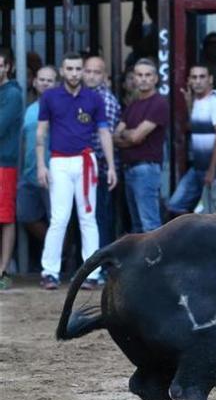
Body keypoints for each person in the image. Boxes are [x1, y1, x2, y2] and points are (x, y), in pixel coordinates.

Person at [36, 52, 118, 290]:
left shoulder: (94, 98)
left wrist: (111, 166)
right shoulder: (50, 96)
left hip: (85, 162)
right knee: (59, 218)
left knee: (87, 218)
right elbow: (41, 133)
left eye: (77, 69)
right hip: (59, 161)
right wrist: (41, 164)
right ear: (62, 71)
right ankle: (50, 272)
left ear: (82, 71)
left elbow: (104, 133)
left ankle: (91, 273)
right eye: (69, 69)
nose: (73, 73)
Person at [113, 58, 169, 234]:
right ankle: (142, 262)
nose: (143, 79)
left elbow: (136, 136)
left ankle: (157, 262)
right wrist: (130, 136)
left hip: (146, 170)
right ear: (134, 78)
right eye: (139, 75)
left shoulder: (159, 103)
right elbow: (115, 136)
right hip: (129, 169)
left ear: (155, 79)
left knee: (150, 226)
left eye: (148, 75)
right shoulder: (133, 105)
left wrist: (129, 135)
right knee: (137, 227)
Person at [167, 63, 216, 215]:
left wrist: (212, 169)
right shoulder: (196, 101)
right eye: (194, 77)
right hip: (198, 169)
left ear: (210, 79)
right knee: (175, 205)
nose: (198, 81)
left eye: (202, 77)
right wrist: (189, 106)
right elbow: (194, 127)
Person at [17, 66, 56, 271]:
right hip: (29, 174)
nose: (45, 83)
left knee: (57, 220)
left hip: (53, 173)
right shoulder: (30, 110)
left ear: (56, 83)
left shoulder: (59, 108)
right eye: (41, 79)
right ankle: (60, 250)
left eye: (49, 80)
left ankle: (61, 256)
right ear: (34, 82)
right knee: (25, 215)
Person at [83, 56, 122, 252]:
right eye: (87, 71)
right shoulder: (83, 97)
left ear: (104, 76)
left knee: (99, 218)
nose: (90, 76)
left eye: (96, 72)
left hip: (100, 168)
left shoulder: (104, 100)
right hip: (86, 167)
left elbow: (103, 137)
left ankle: (101, 266)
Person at [0, 48, 23, 289]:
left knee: (5, 217)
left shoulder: (12, 94)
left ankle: (2, 269)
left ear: (8, 67)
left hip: (3, 163)